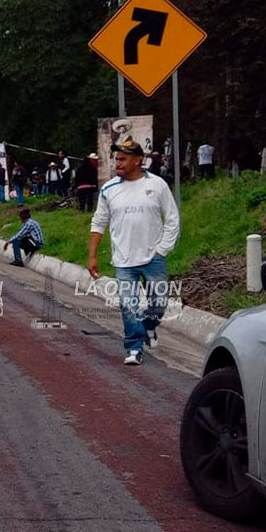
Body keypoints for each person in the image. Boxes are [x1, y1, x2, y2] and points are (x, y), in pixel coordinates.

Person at [88, 140, 181, 366]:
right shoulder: (109, 189)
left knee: (159, 303)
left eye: (123, 159)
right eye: (116, 159)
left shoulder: (157, 185)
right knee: (128, 305)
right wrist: (92, 256)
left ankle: (148, 326)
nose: (118, 163)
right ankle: (134, 347)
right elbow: (98, 223)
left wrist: (162, 250)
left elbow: (172, 218)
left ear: (138, 160)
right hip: (123, 260)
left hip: (153, 259)